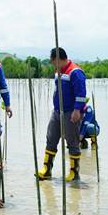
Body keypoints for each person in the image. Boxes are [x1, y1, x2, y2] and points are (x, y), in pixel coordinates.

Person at [37, 47, 87, 183]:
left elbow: (81, 94)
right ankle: (46, 170)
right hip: (57, 111)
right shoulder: (58, 71)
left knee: (72, 142)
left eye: (54, 63)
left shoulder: (75, 72)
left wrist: (77, 111)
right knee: (51, 138)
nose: (54, 66)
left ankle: (74, 173)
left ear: (60, 60)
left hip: (71, 113)